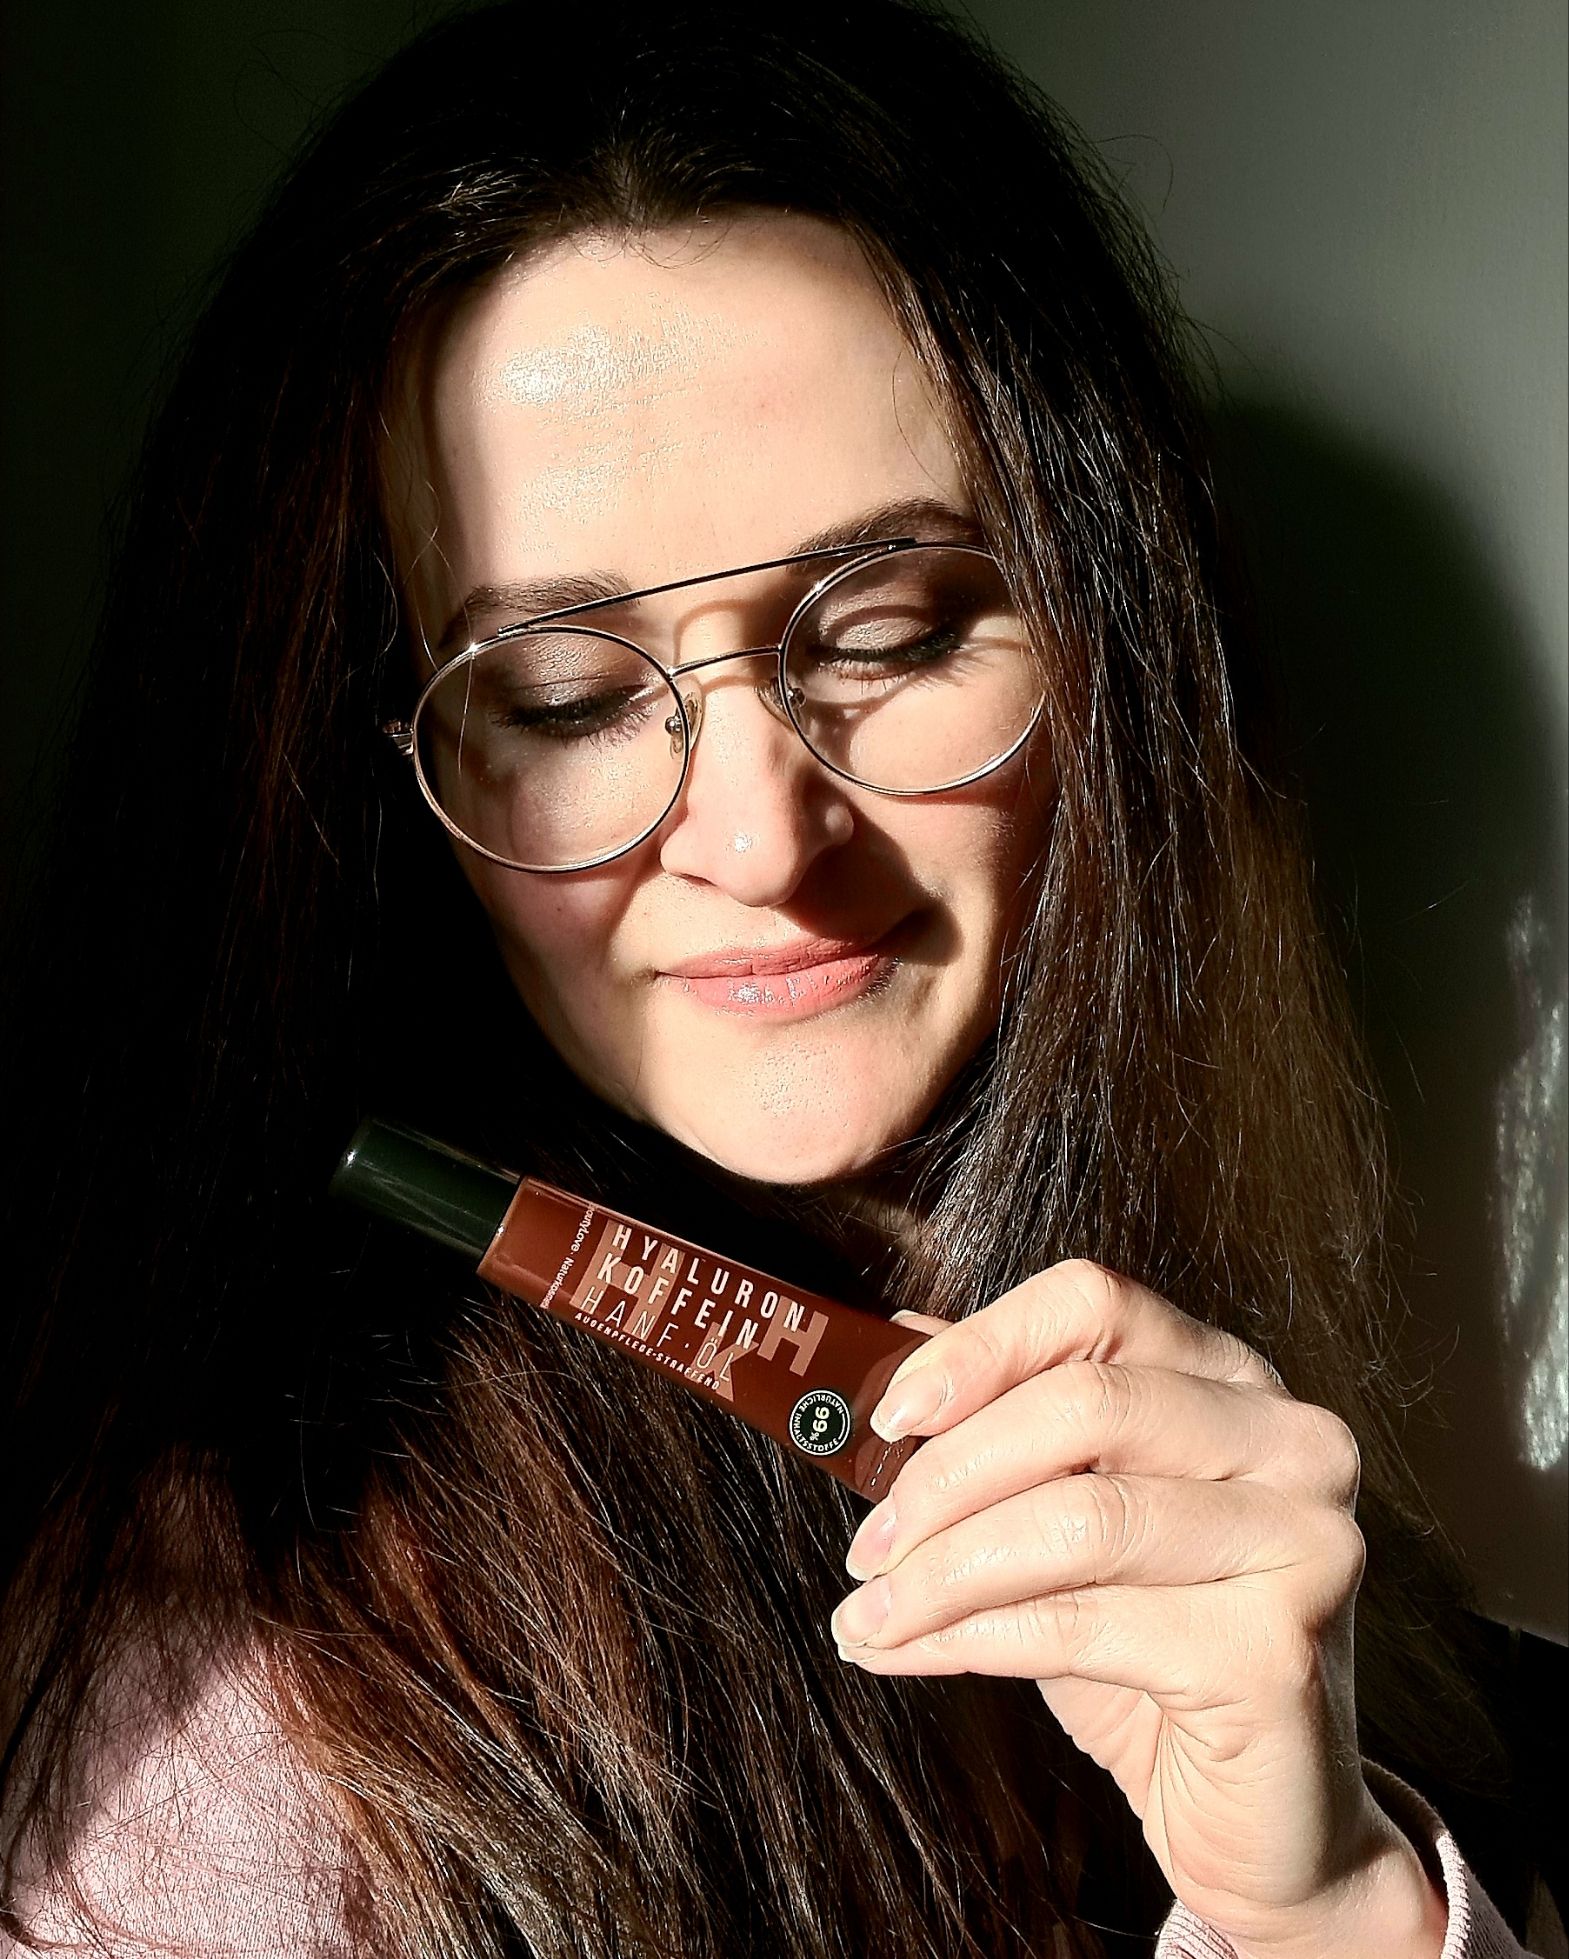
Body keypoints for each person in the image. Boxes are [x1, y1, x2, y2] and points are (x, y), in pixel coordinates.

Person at [0, 3, 1554, 1955]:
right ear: (366, 773)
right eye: (560, 696)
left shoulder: (1315, 1488)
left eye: (888, 633)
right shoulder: (216, 1695)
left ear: (1109, 644)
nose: (759, 840)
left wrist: (1332, 1909)